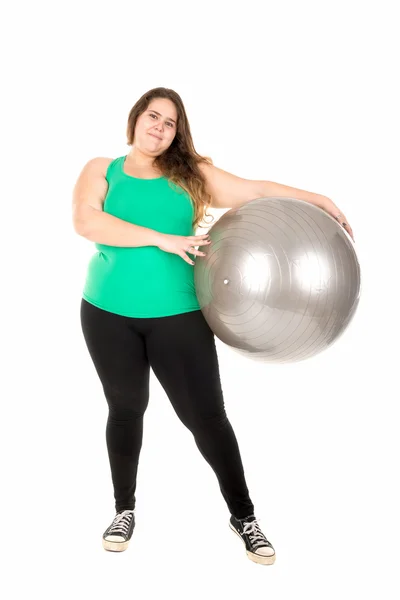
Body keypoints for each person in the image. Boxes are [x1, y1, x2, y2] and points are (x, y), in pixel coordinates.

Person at [72, 87, 354, 566]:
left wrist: (318, 198)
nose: (159, 128)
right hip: (106, 314)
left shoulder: (192, 177)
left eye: (170, 123)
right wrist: (163, 239)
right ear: (135, 119)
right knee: (125, 409)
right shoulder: (102, 169)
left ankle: (243, 516)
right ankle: (124, 510)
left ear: (177, 133)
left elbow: (257, 190)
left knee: (206, 418)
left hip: (178, 318)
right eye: (153, 116)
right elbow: (86, 221)